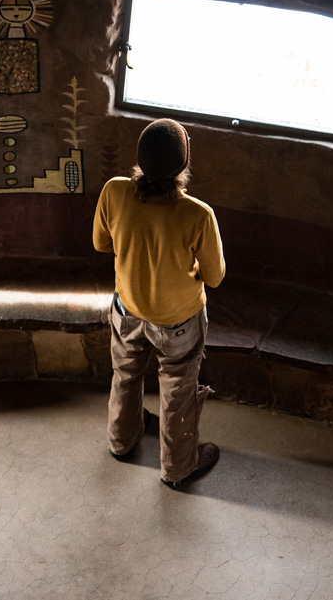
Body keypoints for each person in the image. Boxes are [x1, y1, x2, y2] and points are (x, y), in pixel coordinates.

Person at [93, 118, 226, 488]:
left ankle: (121, 442)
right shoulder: (198, 214)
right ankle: (178, 467)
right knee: (178, 391)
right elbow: (214, 277)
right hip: (179, 322)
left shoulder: (114, 191)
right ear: (182, 166)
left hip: (126, 311)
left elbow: (101, 244)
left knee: (125, 376)